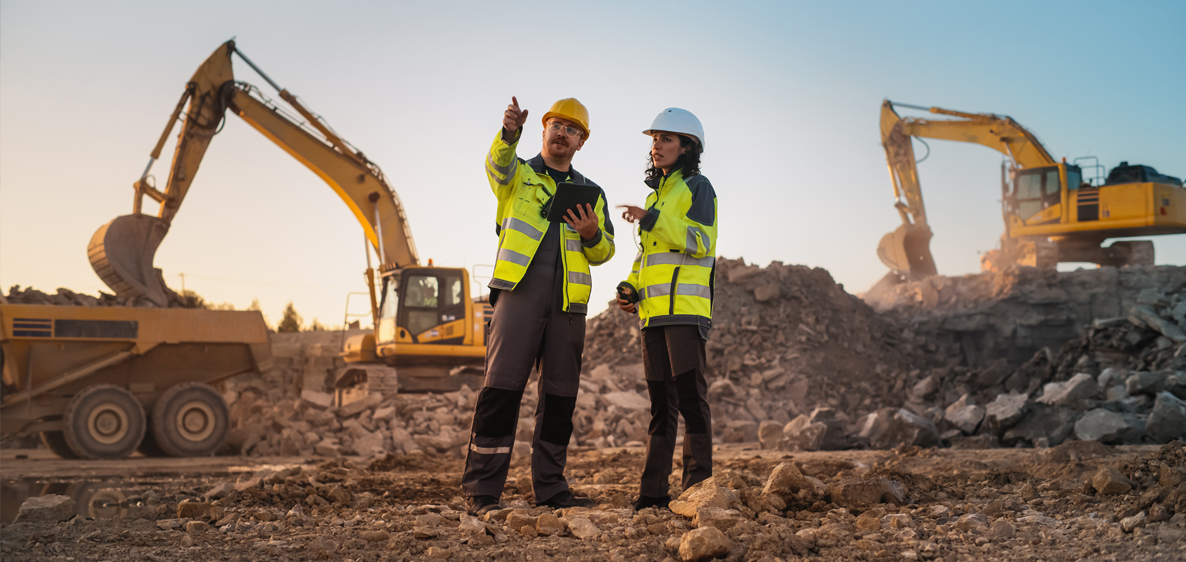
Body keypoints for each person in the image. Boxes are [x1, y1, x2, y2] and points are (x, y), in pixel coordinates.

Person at [461, 97, 616, 515]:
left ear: (581, 142)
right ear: (544, 129)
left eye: (572, 129)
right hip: (519, 293)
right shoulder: (519, 174)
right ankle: (482, 489)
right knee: (501, 390)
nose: (562, 133)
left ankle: (550, 487)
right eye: (556, 125)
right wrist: (509, 134)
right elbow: (497, 166)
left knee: (560, 398)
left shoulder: (593, 194)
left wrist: (589, 233)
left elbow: (605, 252)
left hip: (567, 304)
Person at [616, 108, 717, 511]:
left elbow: (700, 240)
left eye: (666, 139)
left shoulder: (698, 187)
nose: (656, 145)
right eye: (654, 139)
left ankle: (698, 491)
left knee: (691, 400)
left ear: (687, 146)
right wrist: (630, 286)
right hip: (652, 317)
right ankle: (653, 493)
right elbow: (646, 258)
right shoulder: (655, 195)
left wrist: (653, 218)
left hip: (686, 313)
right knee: (661, 407)